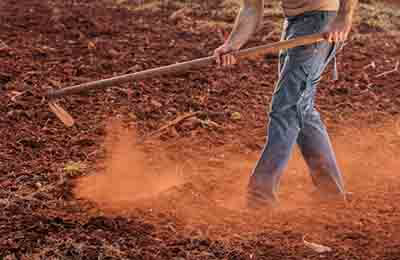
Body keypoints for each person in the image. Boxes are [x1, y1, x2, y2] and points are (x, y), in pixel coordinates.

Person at [214, 0, 358, 208]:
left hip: (322, 22)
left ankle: (260, 198)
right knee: (301, 109)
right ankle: (332, 193)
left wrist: (343, 17)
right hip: (295, 23)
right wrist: (232, 44)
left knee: (287, 107)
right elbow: (251, 8)